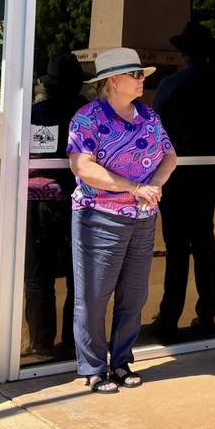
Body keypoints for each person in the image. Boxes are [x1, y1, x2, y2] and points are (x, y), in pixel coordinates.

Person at [67, 47, 176, 393]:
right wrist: (135, 187)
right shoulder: (87, 118)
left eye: (142, 74)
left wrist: (153, 186)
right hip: (99, 217)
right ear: (112, 81)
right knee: (95, 296)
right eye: (136, 75)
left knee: (134, 294)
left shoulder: (149, 116)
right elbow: (83, 167)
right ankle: (94, 368)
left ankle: (122, 362)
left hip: (142, 219)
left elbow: (170, 156)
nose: (143, 80)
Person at [153, 22, 215, 341]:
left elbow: (156, 130)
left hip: (176, 172)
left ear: (183, 53)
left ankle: (170, 316)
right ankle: (207, 313)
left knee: (177, 247)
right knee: (205, 242)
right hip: (208, 171)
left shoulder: (171, 84)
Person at [23, 53, 85, 360]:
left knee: (38, 275)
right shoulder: (87, 114)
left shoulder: (38, 113)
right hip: (80, 200)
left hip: (40, 200)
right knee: (79, 276)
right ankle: (74, 342)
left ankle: (40, 343)